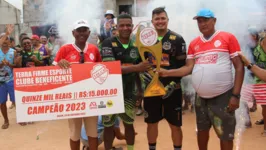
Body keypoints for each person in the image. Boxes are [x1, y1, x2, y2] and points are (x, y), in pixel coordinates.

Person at [158, 8, 244, 150]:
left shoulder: (227, 37)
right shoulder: (194, 43)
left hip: (223, 96)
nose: (202, 24)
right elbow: (188, 68)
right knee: (202, 131)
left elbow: (239, 67)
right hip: (201, 98)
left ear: (214, 20)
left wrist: (235, 95)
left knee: (225, 134)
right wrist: (166, 73)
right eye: (199, 21)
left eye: (206, 20)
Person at [101, 14, 150, 150]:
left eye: (128, 25)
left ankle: (130, 148)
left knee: (129, 124)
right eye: (122, 25)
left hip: (129, 91)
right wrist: (136, 67)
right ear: (117, 27)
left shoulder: (137, 44)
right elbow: (110, 69)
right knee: (108, 126)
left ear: (132, 27)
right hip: (110, 92)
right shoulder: (108, 43)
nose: (125, 28)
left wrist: (140, 90)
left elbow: (140, 70)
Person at [52, 19, 101, 150]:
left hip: (91, 98)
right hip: (72, 100)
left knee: (93, 133)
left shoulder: (94, 50)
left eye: (84, 30)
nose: (81, 33)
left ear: (89, 32)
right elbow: (53, 74)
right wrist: (60, 64)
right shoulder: (64, 49)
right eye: (78, 30)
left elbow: (102, 70)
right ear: (73, 33)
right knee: (74, 133)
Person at [142, 7, 186, 150]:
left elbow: (184, 67)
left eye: (163, 18)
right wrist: (144, 78)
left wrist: (172, 83)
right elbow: (140, 63)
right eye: (157, 19)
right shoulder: (145, 40)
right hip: (151, 89)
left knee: (175, 125)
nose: (160, 22)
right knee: (151, 123)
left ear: (167, 20)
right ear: (152, 21)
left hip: (172, 89)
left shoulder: (177, 39)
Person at [0, 33, 16, 129]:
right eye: (3, 39)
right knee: (2, 102)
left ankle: (21, 118)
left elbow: (17, 65)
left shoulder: (13, 52)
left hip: (12, 80)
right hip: (0, 82)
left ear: (9, 42)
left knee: (16, 100)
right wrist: (1, 65)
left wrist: (9, 64)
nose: (5, 41)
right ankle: (6, 120)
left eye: (7, 39)